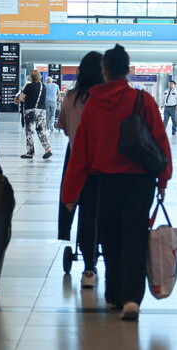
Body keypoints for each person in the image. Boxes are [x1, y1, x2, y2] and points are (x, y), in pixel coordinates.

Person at [62, 44, 172, 321]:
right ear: (128, 69)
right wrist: (163, 177)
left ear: (105, 70)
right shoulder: (141, 100)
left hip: (104, 182)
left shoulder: (93, 104)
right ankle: (132, 299)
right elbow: (159, 139)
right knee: (135, 237)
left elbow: (81, 153)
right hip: (140, 182)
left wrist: (70, 191)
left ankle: (113, 296)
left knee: (109, 238)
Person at [57, 51, 104, 289]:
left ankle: (88, 268)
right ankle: (104, 257)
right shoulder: (107, 97)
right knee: (102, 214)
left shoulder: (70, 97)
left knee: (83, 213)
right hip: (105, 165)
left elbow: (64, 129)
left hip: (77, 161)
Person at [17, 70, 53, 159]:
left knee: (29, 131)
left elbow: (21, 98)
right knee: (42, 130)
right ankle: (48, 149)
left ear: (31, 77)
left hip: (30, 110)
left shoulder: (29, 86)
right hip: (41, 111)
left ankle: (30, 152)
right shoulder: (43, 86)